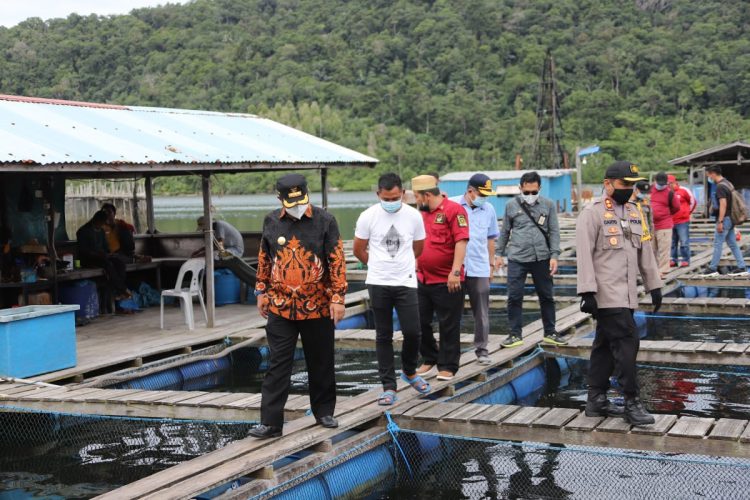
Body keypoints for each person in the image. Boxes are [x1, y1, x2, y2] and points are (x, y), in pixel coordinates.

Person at [248, 173, 346, 438]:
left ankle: (324, 411)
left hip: (317, 305)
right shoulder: (271, 220)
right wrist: (261, 290)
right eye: (290, 202)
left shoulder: (325, 221)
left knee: (321, 360)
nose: (297, 206)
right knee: (278, 363)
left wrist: (338, 297)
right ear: (279, 199)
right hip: (281, 305)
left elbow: (336, 260)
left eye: (300, 200)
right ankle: (270, 422)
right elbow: (264, 258)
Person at [577, 160, 663, 426]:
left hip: (628, 294)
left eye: (632, 185)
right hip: (606, 294)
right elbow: (583, 254)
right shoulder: (591, 213)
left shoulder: (636, 212)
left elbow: (645, 251)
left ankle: (596, 400)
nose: (629, 189)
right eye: (624, 184)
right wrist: (587, 291)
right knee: (628, 342)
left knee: (604, 346)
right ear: (607, 184)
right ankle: (631, 401)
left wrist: (654, 285)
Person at [353, 173, 429, 405]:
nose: (391, 202)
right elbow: (358, 249)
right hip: (378, 281)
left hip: (405, 281)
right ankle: (388, 385)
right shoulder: (368, 216)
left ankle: (409, 371)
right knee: (383, 334)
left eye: (395, 197)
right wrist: (377, 265)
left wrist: (401, 263)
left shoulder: (414, 216)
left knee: (413, 331)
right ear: (379, 195)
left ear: (403, 194)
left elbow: (418, 247)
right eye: (386, 198)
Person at [496, 171, 564, 348]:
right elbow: (505, 232)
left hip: (541, 257)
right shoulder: (511, 205)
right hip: (517, 257)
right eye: (526, 192)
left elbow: (554, 231)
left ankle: (550, 332)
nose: (530, 196)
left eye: (534, 192)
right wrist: (498, 254)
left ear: (539, 189)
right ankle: (514, 334)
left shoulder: (548, 205)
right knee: (515, 296)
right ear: (520, 188)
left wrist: (555, 255)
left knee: (547, 296)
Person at [412, 174, 469, 382]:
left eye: (417, 197)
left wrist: (455, 271)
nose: (416, 201)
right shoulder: (421, 214)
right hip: (423, 277)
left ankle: (448, 365)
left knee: (449, 323)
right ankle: (430, 357)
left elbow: (461, 241)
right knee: (418, 321)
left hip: (447, 279)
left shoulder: (454, 210)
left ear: (427, 195)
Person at [450, 173, 499, 364]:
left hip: (479, 266)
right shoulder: (452, 206)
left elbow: (491, 238)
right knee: (452, 312)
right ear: (470, 191)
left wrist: (491, 265)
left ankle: (482, 350)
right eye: (482, 194)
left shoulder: (489, 210)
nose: (484, 199)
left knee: (482, 312)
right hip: (457, 267)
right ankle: (451, 354)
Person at [701, 165, 748, 277]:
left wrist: (720, 222)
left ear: (713, 173)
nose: (708, 176)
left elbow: (723, 204)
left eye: (708, 174)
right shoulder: (728, 183)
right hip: (730, 218)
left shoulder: (720, 187)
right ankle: (742, 267)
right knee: (733, 244)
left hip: (725, 219)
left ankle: (712, 269)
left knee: (718, 244)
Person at [76, 210, 130, 300]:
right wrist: (98, 254)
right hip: (88, 259)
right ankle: (122, 289)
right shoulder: (83, 231)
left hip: (102, 257)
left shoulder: (101, 231)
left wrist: (109, 254)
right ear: (97, 220)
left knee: (119, 263)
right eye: (102, 223)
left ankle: (118, 291)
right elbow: (83, 250)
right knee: (107, 264)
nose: (103, 225)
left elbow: (106, 247)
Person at [649, 172, 681, 276]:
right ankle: (652, 270)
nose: (661, 186)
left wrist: (665, 214)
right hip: (650, 224)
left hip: (664, 224)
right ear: (655, 181)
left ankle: (663, 270)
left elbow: (676, 207)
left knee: (664, 249)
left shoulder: (670, 193)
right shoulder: (649, 189)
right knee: (651, 249)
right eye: (659, 183)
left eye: (663, 184)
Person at [668, 175, 696, 268]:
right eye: (667, 183)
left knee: (684, 241)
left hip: (682, 221)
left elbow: (693, 202)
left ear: (675, 182)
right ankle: (673, 260)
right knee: (672, 242)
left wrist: (687, 212)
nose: (669, 185)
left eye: (670, 183)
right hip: (671, 221)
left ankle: (685, 260)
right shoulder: (666, 192)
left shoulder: (684, 190)